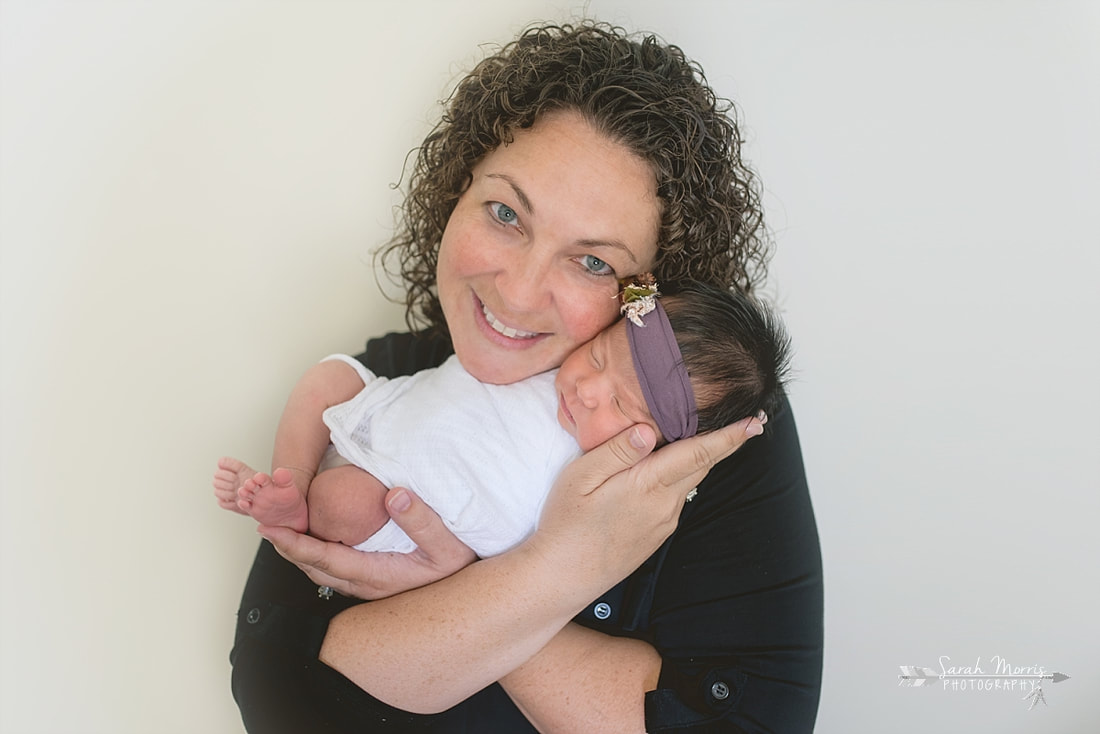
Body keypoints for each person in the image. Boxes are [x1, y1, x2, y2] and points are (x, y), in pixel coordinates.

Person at [227, 21, 823, 733]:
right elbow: (278, 681)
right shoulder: (387, 381)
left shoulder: (712, 428)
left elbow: (750, 723)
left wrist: (461, 598)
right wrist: (547, 576)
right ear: (457, 190)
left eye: (594, 261)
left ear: (653, 298)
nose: (518, 290)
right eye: (506, 213)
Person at [215, 282, 791, 558]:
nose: (587, 391)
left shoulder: (607, 483)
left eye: (623, 407)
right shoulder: (543, 350)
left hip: (399, 506)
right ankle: (289, 474)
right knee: (329, 377)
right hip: (384, 414)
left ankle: (301, 506)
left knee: (342, 502)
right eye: (597, 356)